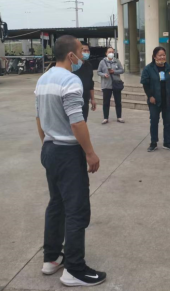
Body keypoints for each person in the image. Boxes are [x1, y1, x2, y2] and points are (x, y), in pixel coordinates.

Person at [36, 35, 106, 287]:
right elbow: (77, 122)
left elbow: (38, 118)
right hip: (67, 152)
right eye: (80, 51)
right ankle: (74, 269)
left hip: (50, 149)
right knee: (76, 210)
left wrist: (47, 143)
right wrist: (90, 152)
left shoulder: (43, 79)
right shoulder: (71, 80)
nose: (83, 57)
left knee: (56, 204)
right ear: (71, 55)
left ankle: (51, 258)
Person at [141, 47, 170, 152]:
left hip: (168, 100)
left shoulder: (169, 68)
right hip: (154, 101)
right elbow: (145, 84)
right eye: (160, 55)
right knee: (154, 121)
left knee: (168, 122)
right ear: (154, 57)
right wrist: (150, 96)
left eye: (164, 55)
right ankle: (153, 143)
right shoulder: (148, 69)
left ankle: (167, 142)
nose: (162, 57)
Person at [97, 47, 124, 124]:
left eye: (112, 52)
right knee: (106, 102)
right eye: (109, 52)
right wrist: (104, 74)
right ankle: (105, 118)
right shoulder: (102, 62)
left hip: (116, 84)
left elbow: (122, 70)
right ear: (106, 53)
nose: (111, 53)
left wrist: (114, 71)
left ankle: (119, 117)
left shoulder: (117, 61)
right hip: (106, 85)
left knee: (118, 101)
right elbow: (98, 72)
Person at [72, 42, 97, 122]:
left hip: (85, 100)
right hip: (74, 100)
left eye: (88, 50)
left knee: (84, 120)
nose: (86, 52)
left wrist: (92, 99)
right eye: (84, 50)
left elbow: (91, 83)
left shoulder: (89, 65)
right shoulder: (72, 66)